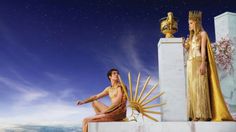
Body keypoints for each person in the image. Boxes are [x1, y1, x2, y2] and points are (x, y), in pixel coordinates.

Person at [184, 11, 233, 121]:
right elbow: (190, 50)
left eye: (190, 23)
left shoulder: (203, 34)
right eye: (189, 23)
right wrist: (186, 45)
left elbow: (203, 51)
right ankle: (194, 114)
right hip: (190, 64)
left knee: (200, 87)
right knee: (192, 89)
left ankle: (201, 114)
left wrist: (203, 63)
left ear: (196, 22)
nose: (189, 25)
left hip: (198, 62)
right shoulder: (192, 37)